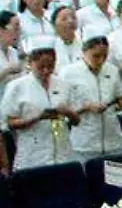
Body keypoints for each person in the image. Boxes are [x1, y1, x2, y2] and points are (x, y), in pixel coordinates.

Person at [4, 36, 72, 168]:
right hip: (32, 155)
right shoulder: (17, 86)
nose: (46, 71)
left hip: (62, 153)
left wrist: (68, 112)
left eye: (50, 66)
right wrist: (38, 117)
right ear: (30, 62)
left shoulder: (62, 85)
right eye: (41, 67)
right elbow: (10, 123)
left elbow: (75, 121)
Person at [60, 35, 122, 160]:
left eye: (105, 56)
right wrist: (86, 107)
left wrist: (119, 103)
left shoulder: (112, 70)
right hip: (84, 143)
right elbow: (62, 109)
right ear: (84, 52)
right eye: (96, 56)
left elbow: (120, 97)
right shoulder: (68, 73)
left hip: (112, 139)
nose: (101, 60)